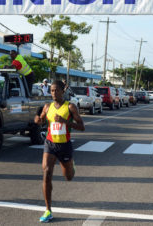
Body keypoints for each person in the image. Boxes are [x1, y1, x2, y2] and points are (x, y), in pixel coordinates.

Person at [34, 80, 85, 223]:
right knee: (46, 172)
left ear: (63, 91)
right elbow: (41, 120)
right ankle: (48, 210)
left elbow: (82, 127)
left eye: (56, 90)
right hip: (50, 144)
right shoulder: (47, 106)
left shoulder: (70, 107)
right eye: (51, 90)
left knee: (68, 176)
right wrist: (37, 119)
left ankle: (71, 166)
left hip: (64, 146)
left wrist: (65, 121)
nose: (53, 93)